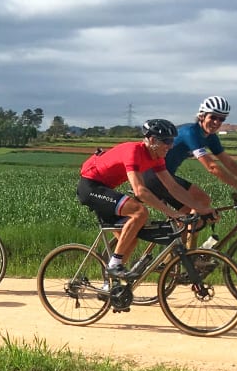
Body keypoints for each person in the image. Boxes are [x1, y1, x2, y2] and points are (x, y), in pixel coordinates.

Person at [77, 119, 215, 278]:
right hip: (91, 188)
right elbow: (140, 191)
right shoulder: (133, 151)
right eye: (167, 141)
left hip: (105, 190)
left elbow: (173, 187)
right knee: (140, 212)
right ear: (152, 140)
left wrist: (201, 208)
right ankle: (115, 265)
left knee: (130, 239)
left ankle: (110, 287)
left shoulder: (157, 157)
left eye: (172, 141)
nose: (171, 146)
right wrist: (172, 213)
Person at [141, 96, 237, 216]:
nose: (217, 122)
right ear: (201, 116)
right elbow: (212, 167)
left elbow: (229, 163)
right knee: (202, 200)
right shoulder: (191, 133)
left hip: (164, 176)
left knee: (192, 216)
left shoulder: (211, 137)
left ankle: (182, 244)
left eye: (221, 119)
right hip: (153, 175)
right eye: (213, 117)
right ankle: (183, 240)